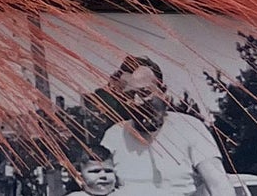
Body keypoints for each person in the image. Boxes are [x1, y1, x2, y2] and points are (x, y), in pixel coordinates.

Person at [99, 59, 235, 195]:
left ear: (162, 91)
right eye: (129, 95)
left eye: (145, 93)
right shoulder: (113, 136)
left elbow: (219, 186)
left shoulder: (189, 128)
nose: (137, 102)